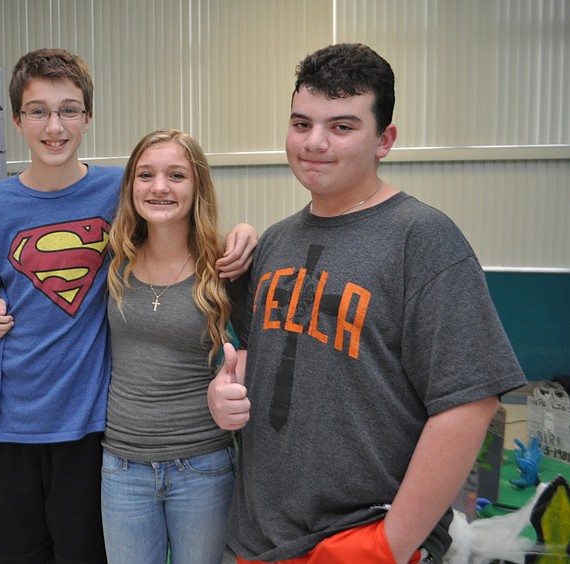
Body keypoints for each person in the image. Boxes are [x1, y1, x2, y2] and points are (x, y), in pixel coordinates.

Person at [207, 43, 527, 564]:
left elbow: (470, 404)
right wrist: (224, 393)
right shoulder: (275, 242)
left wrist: (388, 544)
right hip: (254, 542)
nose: (314, 142)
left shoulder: (422, 239)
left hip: (359, 540)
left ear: (385, 140)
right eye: (301, 122)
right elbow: (267, 360)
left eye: (341, 126)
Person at [0, 49, 255, 564]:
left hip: (89, 427)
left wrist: (243, 232)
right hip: (7, 423)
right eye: (38, 111)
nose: (54, 126)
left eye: (69, 110)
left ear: (88, 118)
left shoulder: (117, 190)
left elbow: (177, 215)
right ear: (16, 119)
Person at [100, 128, 248, 564]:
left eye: (176, 175)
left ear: (197, 185)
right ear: (130, 187)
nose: (159, 187)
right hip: (123, 466)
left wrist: (246, 231)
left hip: (203, 465)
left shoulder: (225, 264)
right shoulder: (113, 261)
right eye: (145, 175)